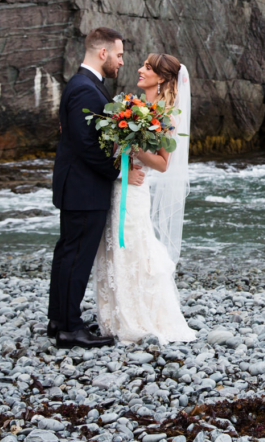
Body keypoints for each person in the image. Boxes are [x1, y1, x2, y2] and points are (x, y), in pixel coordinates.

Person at [48, 27, 145, 348]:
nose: (120, 62)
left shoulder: (85, 86)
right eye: (118, 55)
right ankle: (68, 328)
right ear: (102, 53)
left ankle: (59, 318)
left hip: (78, 186)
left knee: (68, 253)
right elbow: (87, 145)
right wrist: (118, 171)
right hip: (83, 189)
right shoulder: (86, 90)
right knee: (76, 256)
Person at [92, 53, 195, 344]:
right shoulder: (134, 107)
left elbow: (163, 163)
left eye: (147, 68)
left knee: (132, 247)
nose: (139, 70)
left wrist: (132, 147)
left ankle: (138, 315)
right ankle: (112, 316)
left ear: (161, 78)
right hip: (118, 182)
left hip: (135, 190)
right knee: (112, 246)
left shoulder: (167, 114)